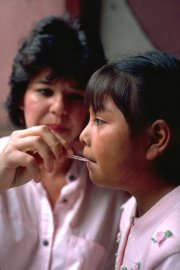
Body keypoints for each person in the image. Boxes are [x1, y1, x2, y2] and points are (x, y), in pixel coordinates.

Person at [0, 15, 129, 270]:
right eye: (45, 91)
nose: (59, 108)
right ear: (20, 99)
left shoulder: (114, 188)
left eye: (75, 96)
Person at [80, 50, 180, 269]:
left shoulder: (174, 247)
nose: (83, 136)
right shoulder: (131, 209)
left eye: (99, 120)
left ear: (155, 139)